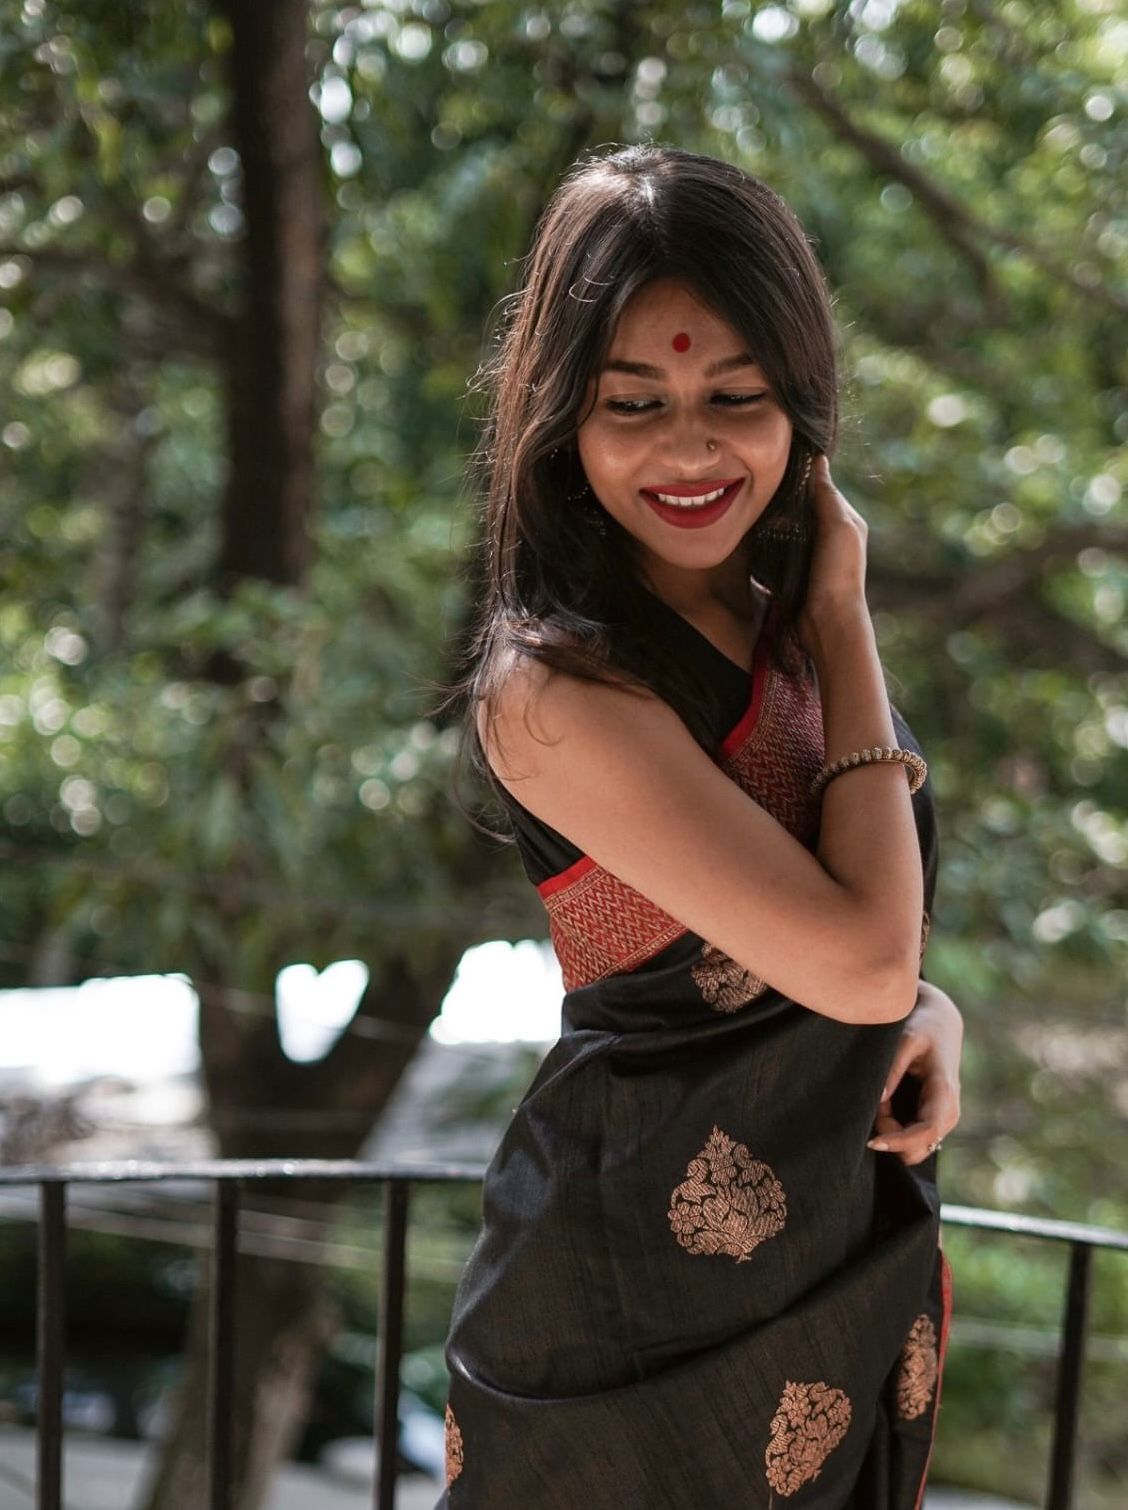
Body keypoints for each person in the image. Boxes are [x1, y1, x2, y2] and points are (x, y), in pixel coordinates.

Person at [435, 143, 963, 1508]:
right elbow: (860, 961)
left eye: (737, 396)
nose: (688, 448)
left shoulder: (779, 632)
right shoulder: (554, 688)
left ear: (802, 406)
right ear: (563, 419)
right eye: (634, 402)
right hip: (625, 1312)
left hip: (822, 1273)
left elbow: (857, 952)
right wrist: (843, 617)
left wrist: (930, 1013)